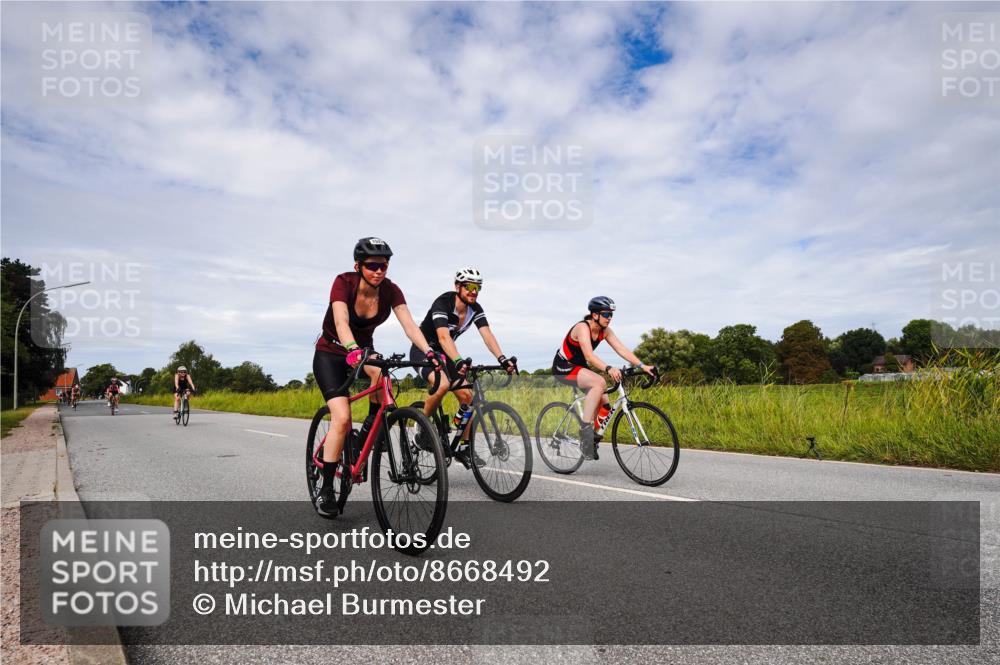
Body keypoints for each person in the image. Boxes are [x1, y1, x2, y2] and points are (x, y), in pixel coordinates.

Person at [312, 237, 441, 516]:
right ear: (358, 266)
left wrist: (430, 352)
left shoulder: (391, 290)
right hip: (332, 352)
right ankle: (325, 489)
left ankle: (368, 431)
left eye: (384, 265)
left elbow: (409, 325)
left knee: (386, 380)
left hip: (364, 351)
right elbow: (341, 322)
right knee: (342, 418)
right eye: (372, 265)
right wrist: (352, 349)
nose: (379, 271)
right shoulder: (343, 283)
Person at [410, 267, 516, 466]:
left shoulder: (475, 309)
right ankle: (423, 428)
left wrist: (502, 358)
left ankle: (462, 447)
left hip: (446, 353)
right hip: (424, 350)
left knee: (468, 396)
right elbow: (443, 337)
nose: (473, 291)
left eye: (477, 287)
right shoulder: (443, 303)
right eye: (469, 286)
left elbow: (487, 335)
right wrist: (458, 359)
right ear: (458, 286)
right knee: (441, 385)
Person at [551, 296, 656, 460]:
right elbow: (589, 355)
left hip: (579, 367)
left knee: (605, 405)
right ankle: (584, 432)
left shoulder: (605, 331)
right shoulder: (582, 327)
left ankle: (591, 439)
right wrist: (608, 368)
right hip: (563, 366)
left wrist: (642, 366)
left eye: (611, 315)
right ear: (594, 315)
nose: (609, 318)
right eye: (606, 314)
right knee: (599, 382)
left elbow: (622, 349)